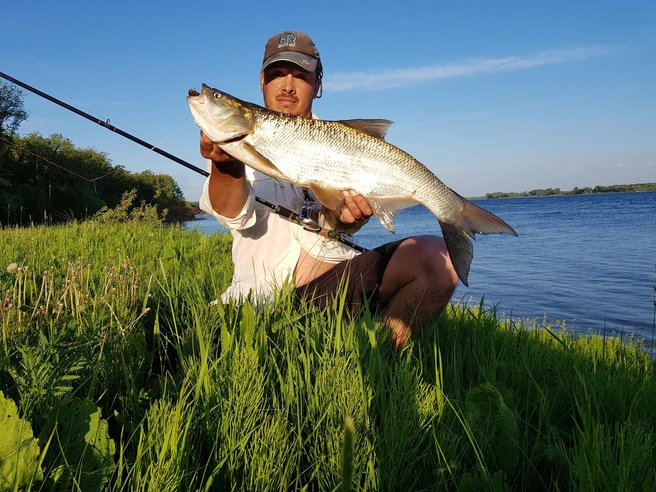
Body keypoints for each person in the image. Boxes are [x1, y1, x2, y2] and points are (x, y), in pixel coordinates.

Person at [198, 31, 459, 348]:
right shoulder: (245, 141)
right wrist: (227, 165)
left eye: (301, 75)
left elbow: (335, 221)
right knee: (194, 349)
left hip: (333, 285)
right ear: (261, 81)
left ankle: (382, 360)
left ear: (318, 84)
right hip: (258, 294)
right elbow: (232, 215)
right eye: (277, 74)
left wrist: (345, 220)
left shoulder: (343, 142)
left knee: (438, 258)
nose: (288, 85)